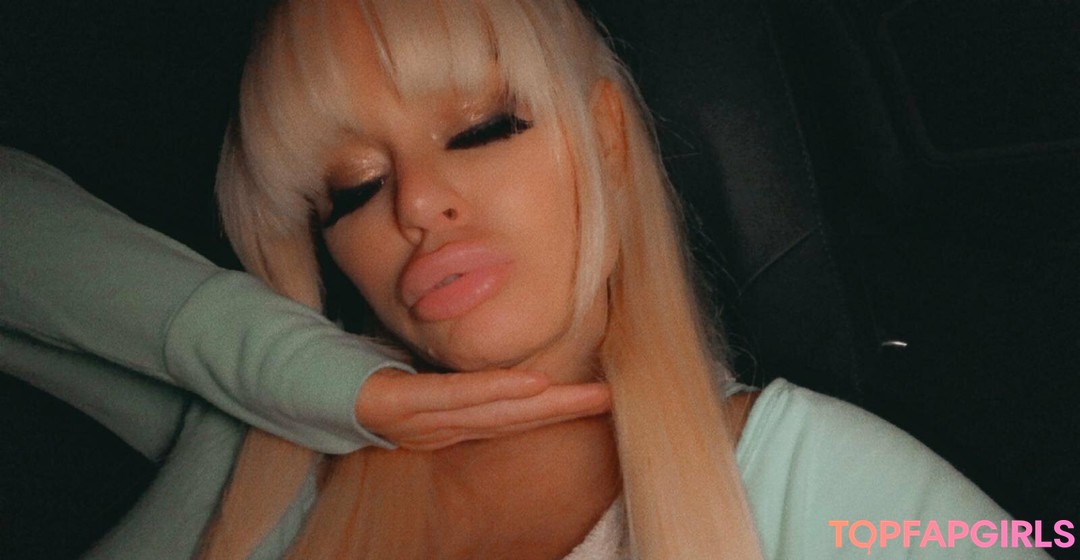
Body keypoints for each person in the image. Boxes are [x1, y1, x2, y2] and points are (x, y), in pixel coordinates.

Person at [0, 0, 1056, 559]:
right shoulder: (258, 448)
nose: (418, 202)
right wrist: (323, 382)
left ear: (607, 139)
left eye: (478, 128)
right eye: (353, 188)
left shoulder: (816, 479)